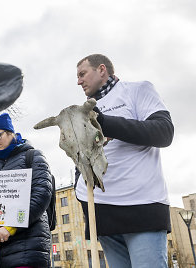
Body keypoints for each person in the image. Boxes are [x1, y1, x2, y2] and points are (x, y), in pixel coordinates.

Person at [74, 54, 174, 267]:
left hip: (141, 209)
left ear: (102, 70)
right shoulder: (86, 111)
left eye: (83, 74)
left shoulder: (138, 90)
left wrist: (104, 123)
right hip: (103, 213)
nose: (79, 81)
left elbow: (164, 132)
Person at [0, 113, 53, 268]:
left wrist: (11, 227)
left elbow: (42, 195)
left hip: (27, 248)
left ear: (10, 132)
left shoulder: (33, 156)